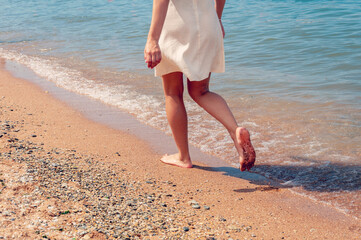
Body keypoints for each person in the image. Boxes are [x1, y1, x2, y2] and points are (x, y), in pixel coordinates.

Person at [144, 0, 256, 171]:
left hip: (177, 28)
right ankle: (235, 131)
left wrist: (152, 39)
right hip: (208, 24)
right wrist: (217, 20)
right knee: (201, 91)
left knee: (173, 93)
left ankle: (183, 156)